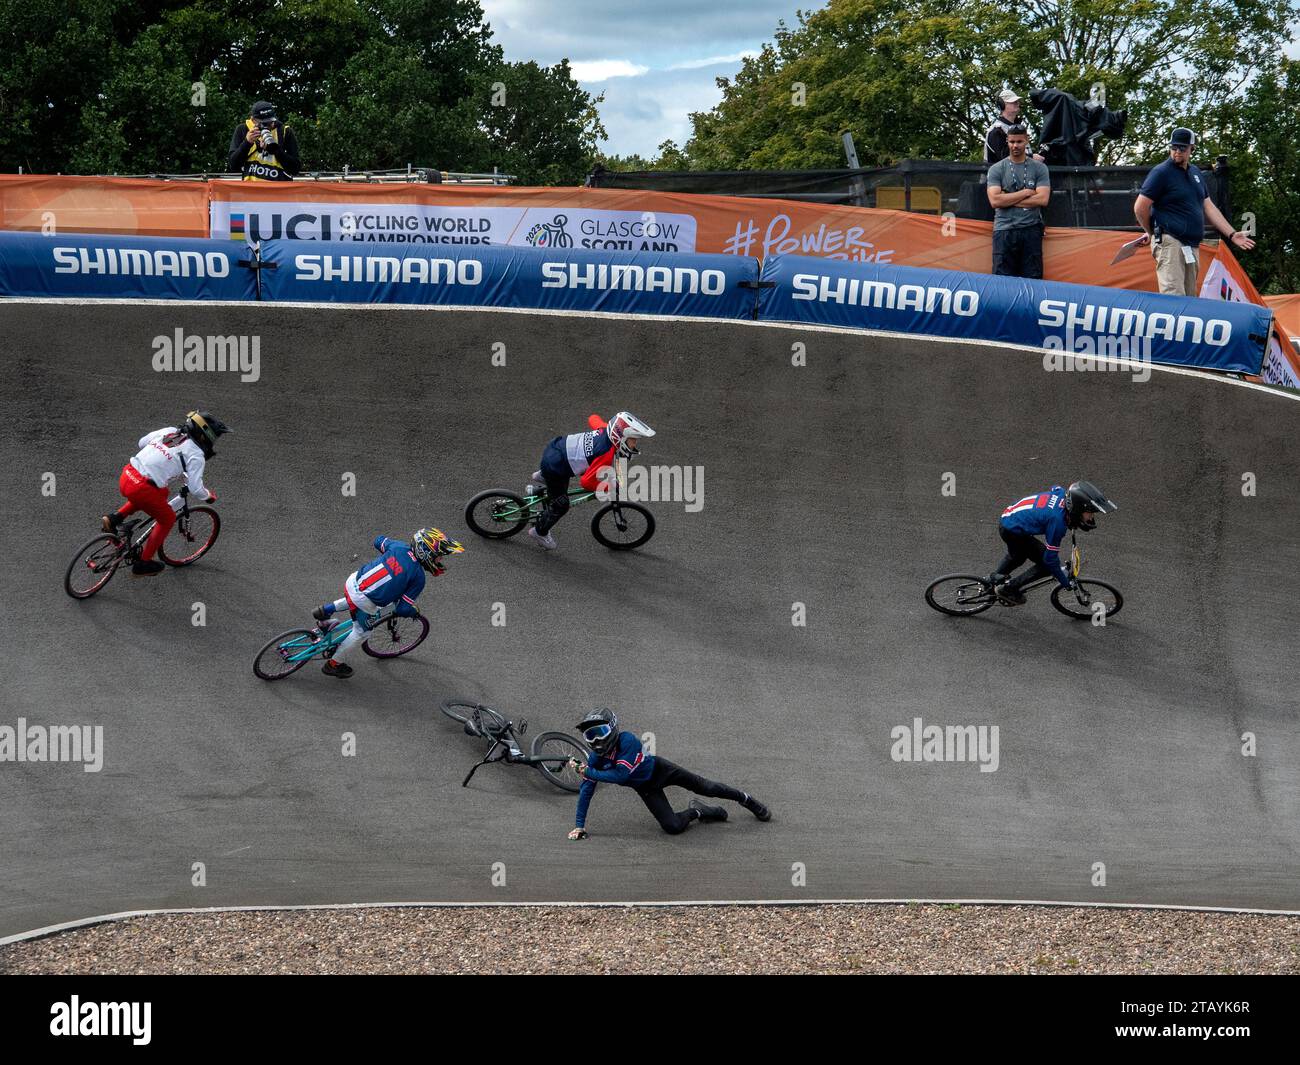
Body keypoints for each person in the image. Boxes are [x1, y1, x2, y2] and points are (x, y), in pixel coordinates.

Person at [567, 708, 770, 839]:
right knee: (672, 827)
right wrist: (579, 825)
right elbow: (586, 790)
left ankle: (746, 799)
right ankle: (700, 811)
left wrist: (587, 771)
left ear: (612, 728)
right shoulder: (596, 760)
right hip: (646, 788)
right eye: (589, 735)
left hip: (662, 770)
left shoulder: (627, 741)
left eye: (599, 733)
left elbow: (621, 776)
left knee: (708, 787)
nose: (594, 740)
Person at [311, 528, 463, 678]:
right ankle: (333, 664)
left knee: (358, 597)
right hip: (363, 601)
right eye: (439, 557)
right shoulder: (418, 578)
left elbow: (378, 540)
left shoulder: (399, 546)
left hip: (353, 582)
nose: (440, 560)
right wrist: (413, 611)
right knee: (361, 632)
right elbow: (402, 608)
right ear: (427, 553)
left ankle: (326, 610)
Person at [101, 411, 230, 576]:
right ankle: (143, 563)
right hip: (143, 490)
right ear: (205, 436)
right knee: (167, 518)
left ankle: (114, 518)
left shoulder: (169, 431)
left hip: (127, 476)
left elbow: (142, 443)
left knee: (161, 491)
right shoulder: (196, 455)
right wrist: (208, 496)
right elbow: (196, 487)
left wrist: (166, 459)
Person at [1133, 127, 1255, 296]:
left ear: (1192, 148)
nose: (1177, 152)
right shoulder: (1161, 173)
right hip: (1170, 242)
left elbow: (1209, 207)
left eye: (1182, 148)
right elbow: (1140, 207)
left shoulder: (1196, 173)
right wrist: (1151, 232)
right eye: (1173, 147)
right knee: (1174, 299)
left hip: (1191, 245)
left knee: (1189, 300)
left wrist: (1232, 234)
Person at [526, 411, 654, 550]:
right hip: (556, 466)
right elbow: (586, 482)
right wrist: (608, 487)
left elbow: (593, 419)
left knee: (563, 481)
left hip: (556, 448)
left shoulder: (605, 430)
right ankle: (539, 532)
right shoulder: (605, 454)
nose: (634, 444)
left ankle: (544, 476)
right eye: (633, 440)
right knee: (561, 505)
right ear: (620, 438)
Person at [988, 481, 1117, 605]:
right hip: (1012, 531)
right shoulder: (1057, 524)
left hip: (1010, 519)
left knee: (1017, 557)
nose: (1091, 517)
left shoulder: (1061, 493)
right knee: (1045, 566)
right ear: (1076, 509)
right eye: (1089, 513)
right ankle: (1009, 588)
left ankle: (990, 584)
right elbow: (1050, 560)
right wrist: (1064, 582)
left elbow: (1055, 488)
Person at [987, 125, 1051, 279]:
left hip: (1031, 229)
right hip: (1004, 230)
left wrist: (1007, 198)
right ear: (1007, 142)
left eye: (1019, 141)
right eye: (1012, 142)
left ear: (1026, 140)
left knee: (1032, 281)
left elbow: (1043, 199)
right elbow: (995, 201)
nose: (1015, 146)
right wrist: (1026, 193)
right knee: (1002, 282)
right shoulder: (997, 169)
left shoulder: (1039, 168)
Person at [227, 100, 301, 182]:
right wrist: (247, 143)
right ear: (253, 120)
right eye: (263, 123)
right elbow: (233, 166)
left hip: (278, 190)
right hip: (251, 190)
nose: (268, 126)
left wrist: (275, 150)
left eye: (270, 122)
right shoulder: (243, 130)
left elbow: (295, 168)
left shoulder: (285, 131)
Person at [983, 90, 1045, 165]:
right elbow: (1005, 158)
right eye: (1012, 101)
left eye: (1017, 101)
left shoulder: (1019, 129)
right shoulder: (996, 130)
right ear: (1002, 105)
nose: (1017, 103)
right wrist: (1032, 158)